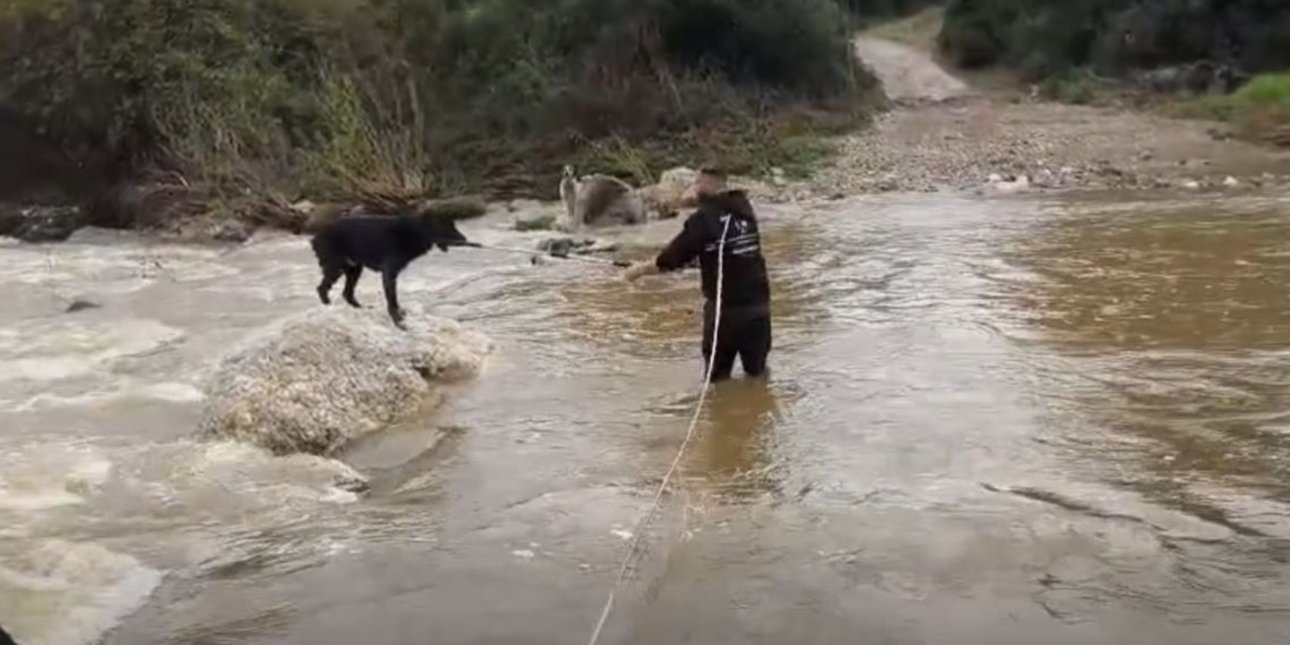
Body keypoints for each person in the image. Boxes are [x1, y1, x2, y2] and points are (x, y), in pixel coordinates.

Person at [624, 167, 772, 381]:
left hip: (725, 313)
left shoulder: (702, 220)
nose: (694, 188)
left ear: (709, 185)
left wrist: (637, 271)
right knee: (757, 373)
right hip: (759, 309)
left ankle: (722, 411)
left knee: (717, 381)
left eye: (698, 183)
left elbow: (668, 260)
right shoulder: (745, 210)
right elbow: (724, 249)